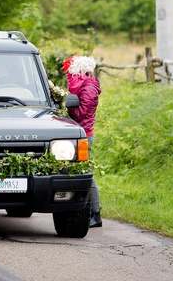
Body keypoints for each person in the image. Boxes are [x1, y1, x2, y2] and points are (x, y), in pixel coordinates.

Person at [63, 55, 102, 228]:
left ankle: (95, 214)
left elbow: (80, 113)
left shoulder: (89, 88)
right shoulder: (81, 86)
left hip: (84, 134)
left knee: (86, 173)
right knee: (77, 172)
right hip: (77, 133)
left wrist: (67, 106)